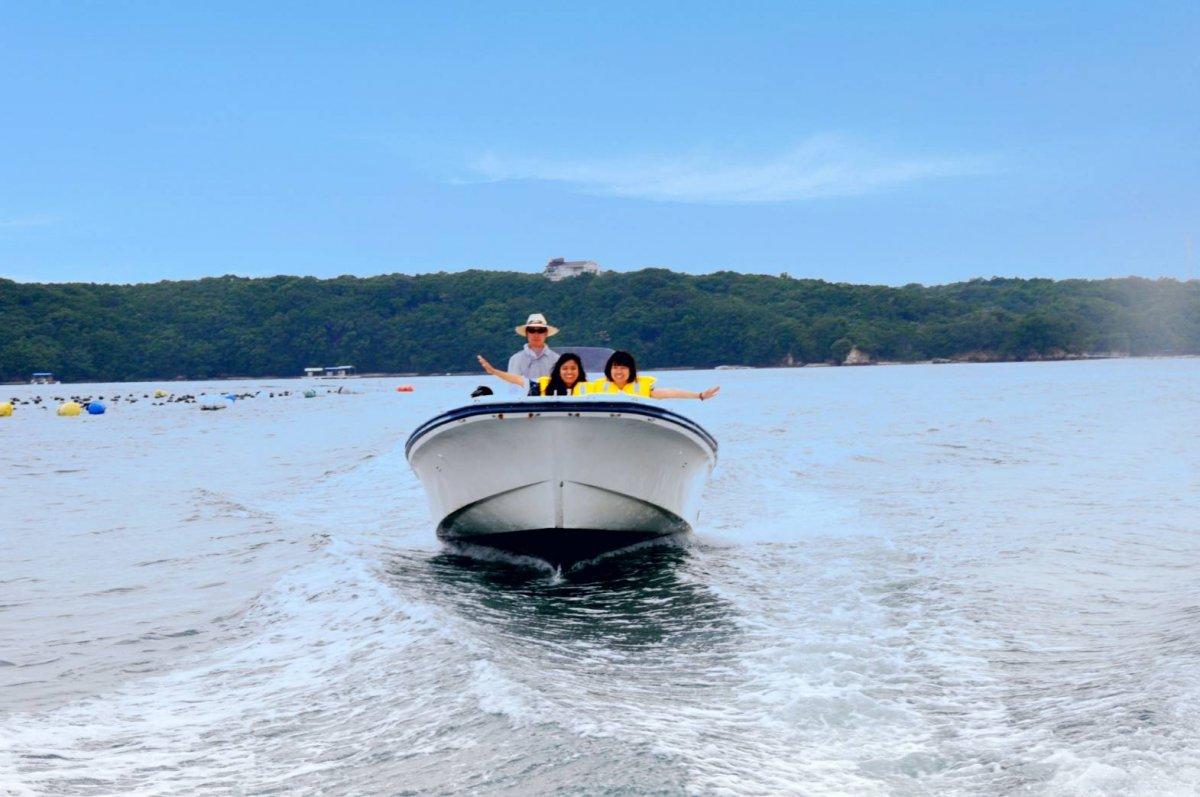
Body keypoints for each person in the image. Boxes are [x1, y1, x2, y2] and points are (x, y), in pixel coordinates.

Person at [588, 350, 720, 401]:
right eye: (615, 368)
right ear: (609, 370)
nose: (618, 372)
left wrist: (699, 395)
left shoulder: (643, 388)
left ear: (631, 370)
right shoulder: (597, 387)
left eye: (623, 368)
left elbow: (669, 392)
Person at [477, 352, 589, 396]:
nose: (569, 372)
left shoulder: (589, 389)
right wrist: (493, 371)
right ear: (558, 371)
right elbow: (518, 380)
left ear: (579, 371)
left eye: (573, 368)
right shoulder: (544, 386)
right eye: (565, 368)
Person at [505, 313, 560, 384]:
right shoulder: (515, 359)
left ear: (546, 333)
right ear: (526, 333)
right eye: (531, 330)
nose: (536, 334)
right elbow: (512, 387)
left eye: (540, 330)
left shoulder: (557, 359)